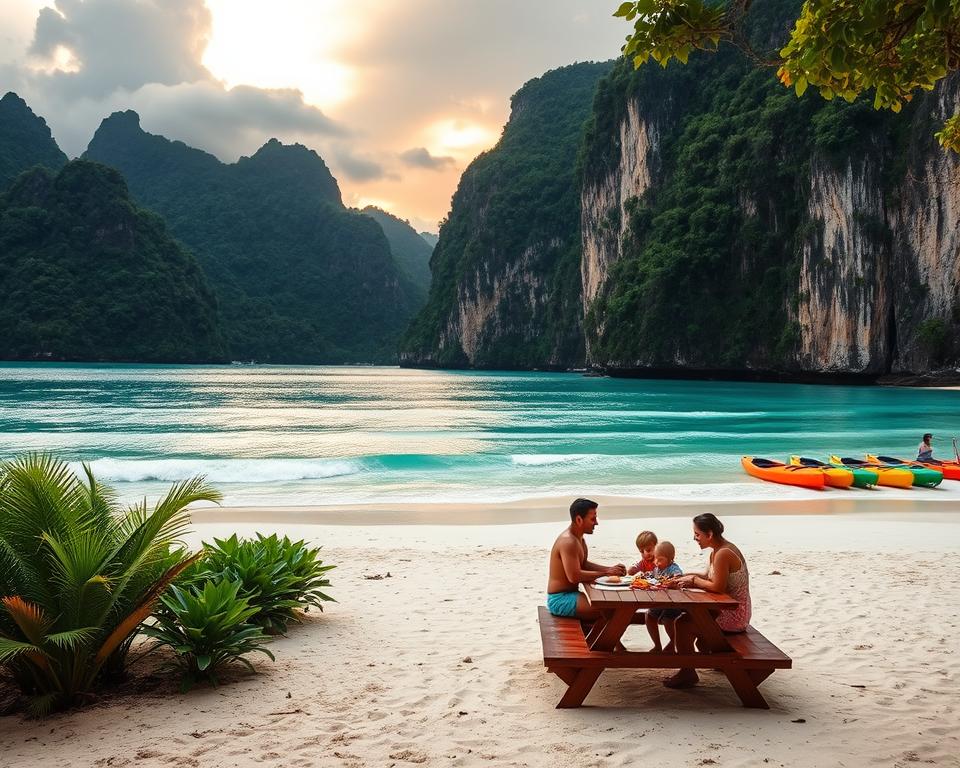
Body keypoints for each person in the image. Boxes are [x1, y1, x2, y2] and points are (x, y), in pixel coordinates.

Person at [663, 513, 751, 689]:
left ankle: (688, 673)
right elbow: (707, 576)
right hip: (727, 610)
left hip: (733, 614)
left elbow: (717, 586)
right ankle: (703, 663)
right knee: (689, 620)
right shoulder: (718, 551)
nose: (694, 538)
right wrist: (685, 576)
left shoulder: (723, 553)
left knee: (682, 624)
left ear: (709, 534)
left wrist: (693, 581)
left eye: (697, 534)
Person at [546, 498, 626, 619]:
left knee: (615, 608)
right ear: (579, 519)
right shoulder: (569, 541)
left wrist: (610, 569)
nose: (596, 523)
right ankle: (608, 638)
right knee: (612, 612)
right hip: (560, 599)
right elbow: (574, 576)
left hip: (572, 594)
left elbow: (584, 565)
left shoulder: (579, 539)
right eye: (592, 519)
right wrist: (605, 572)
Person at [645, 541, 683, 652]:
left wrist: (673, 580)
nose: (656, 562)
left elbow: (679, 576)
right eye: (655, 559)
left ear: (671, 559)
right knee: (649, 616)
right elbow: (652, 577)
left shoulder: (673, 568)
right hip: (660, 601)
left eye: (660, 559)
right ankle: (657, 645)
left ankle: (673, 642)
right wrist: (647, 575)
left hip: (673, 602)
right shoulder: (657, 569)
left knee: (668, 619)